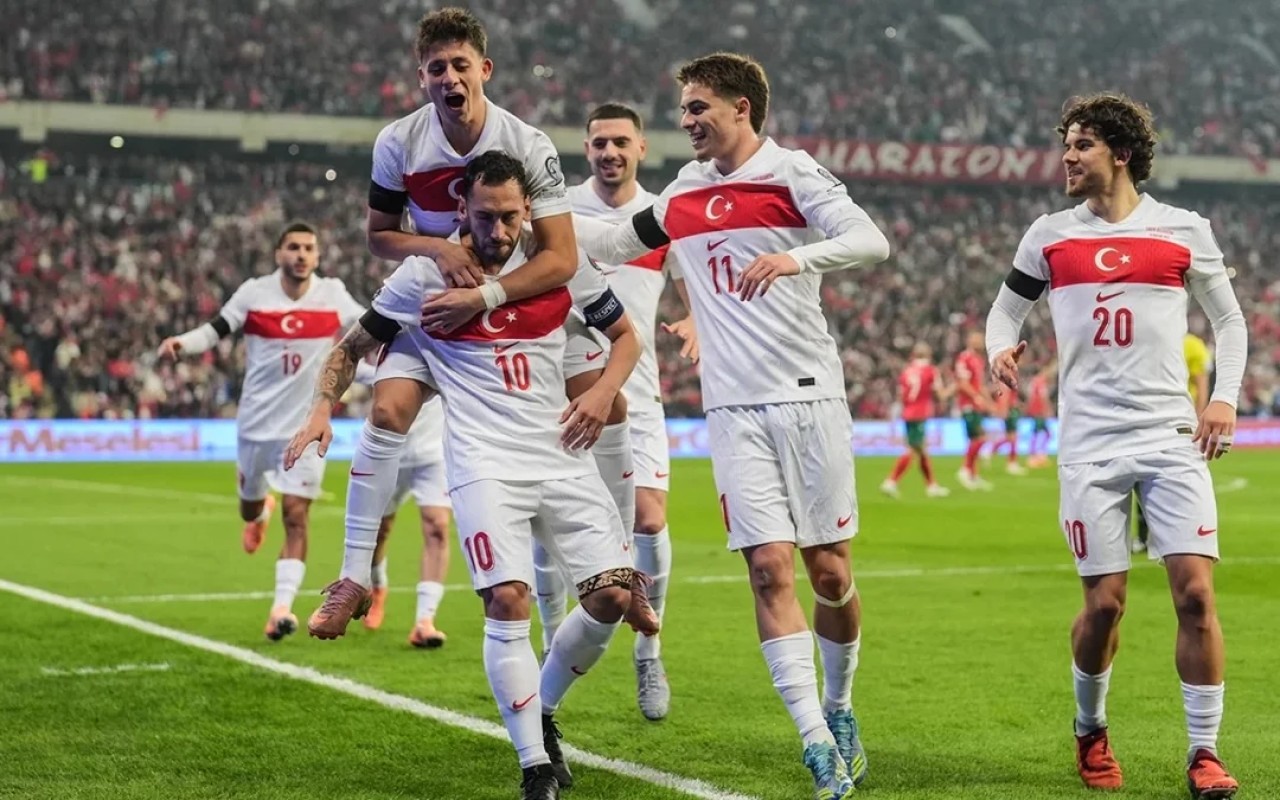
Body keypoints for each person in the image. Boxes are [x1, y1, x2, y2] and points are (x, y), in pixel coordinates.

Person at [574, 51, 891, 800]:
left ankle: (840, 707)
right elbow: (610, 244)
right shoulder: (682, 194)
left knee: (830, 572)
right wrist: (529, 222)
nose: (686, 120)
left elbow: (871, 241)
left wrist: (795, 258)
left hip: (809, 398)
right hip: (732, 409)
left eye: (698, 107)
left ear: (741, 107)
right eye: (683, 109)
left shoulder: (792, 173)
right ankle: (815, 742)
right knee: (767, 569)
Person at [288, 152, 642, 800]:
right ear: (461, 209)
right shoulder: (425, 273)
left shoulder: (560, 264)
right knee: (506, 600)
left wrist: (601, 392)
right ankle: (534, 768)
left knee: (611, 600)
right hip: (484, 466)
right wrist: (320, 408)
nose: (498, 230)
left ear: (528, 209)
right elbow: (351, 347)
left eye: (509, 216)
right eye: (485, 216)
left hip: (560, 454)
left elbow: (626, 337)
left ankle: (543, 706)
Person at [985, 92, 1246, 799]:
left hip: (1169, 436)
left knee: (1196, 596)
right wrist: (998, 348)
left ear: (1121, 154)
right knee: (1105, 605)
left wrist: (1223, 398)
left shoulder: (1184, 229)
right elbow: (1006, 310)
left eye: (1082, 145)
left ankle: (1204, 752)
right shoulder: (1048, 235)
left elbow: (1230, 322)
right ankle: (1090, 727)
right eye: (1066, 144)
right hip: (1090, 441)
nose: (1067, 157)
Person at [314, 6, 581, 634]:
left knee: (602, 406)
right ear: (422, 77)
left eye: (461, 65)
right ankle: (352, 578)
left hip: (511, 307)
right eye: (437, 68)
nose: (450, 78)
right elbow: (380, 235)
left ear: (485, 69)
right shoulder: (398, 142)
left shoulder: (528, 144)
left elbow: (562, 257)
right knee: (386, 413)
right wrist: (439, 249)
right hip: (431, 303)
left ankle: (624, 560)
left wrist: (485, 295)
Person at [533, 102, 683, 722]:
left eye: (621, 141)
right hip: (562, 390)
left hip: (637, 395)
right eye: (599, 142)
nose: (610, 152)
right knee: (549, 533)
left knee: (648, 520)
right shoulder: (557, 210)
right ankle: (551, 644)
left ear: (642, 147)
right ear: (586, 148)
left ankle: (649, 651)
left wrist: (697, 320)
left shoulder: (663, 216)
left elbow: (696, 286)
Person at [156, 222, 363, 641]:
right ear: (278, 253)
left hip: (305, 427)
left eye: (309, 248)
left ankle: (281, 608)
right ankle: (259, 512)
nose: (301, 254)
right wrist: (183, 343)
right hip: (255, 425)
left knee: (297, 515)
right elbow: (216, 329)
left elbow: (369, 325)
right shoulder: (254, 293)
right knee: (248, 510)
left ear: (317, 257)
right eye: (293, 247)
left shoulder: (332, 293)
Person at [361, 397, 453, 648]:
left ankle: (425, 621)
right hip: (388, 452)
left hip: (435, 452)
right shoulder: (374, 368)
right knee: (379, 531)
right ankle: (377, 587)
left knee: (438, 527)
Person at [1133, 331, 1211, 553]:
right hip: (1153, 418)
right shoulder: (1152, 336)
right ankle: (1146, 539)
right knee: (1142, 478)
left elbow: (1201, 384)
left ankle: (1173, 540)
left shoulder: (1192, 345)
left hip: (1181, 422)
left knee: (1176, 483)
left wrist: (1198, 420)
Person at [880, 342, 950, 498]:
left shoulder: (907, 371)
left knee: (921, 450)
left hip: (908, 413)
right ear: (929, 355)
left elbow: (901, 395)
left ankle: (931, 486)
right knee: (912, 448)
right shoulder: (931, 370)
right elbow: (940, 394)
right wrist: (952, 389)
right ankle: (891, 482)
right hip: (920, 413)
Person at [954, 331, 994, 490]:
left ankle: (973, 475)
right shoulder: (964, 358)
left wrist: (989, 402)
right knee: (980, 437)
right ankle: (965, 469)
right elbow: (962, 384)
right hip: (968, 405)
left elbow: (980, 385)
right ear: (970, 341)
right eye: (977, 339)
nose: (981, 342)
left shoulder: (978, 360)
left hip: (976, 404)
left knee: (975, 440)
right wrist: (976, 397)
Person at [988, 382, 1028, 475]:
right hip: (1010, 410)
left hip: (1011, 408)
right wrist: (1004, 409)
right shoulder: (1008, 379)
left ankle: (992, 450)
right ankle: (1011, 463)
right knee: (1013, 437)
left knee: (1010, 437)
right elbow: (1005, 394)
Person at [1025, 360, 1056, 468]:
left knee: (1042, 433)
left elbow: (1030, 397)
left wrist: (1029, 408)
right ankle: (1035, 456)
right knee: (1040, 433)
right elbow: (1043, 397)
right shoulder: (1041, 382)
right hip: (1039, 412)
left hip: (1035, 411)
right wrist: (1048, 410)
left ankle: (1039, 455)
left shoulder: (1033, 381)